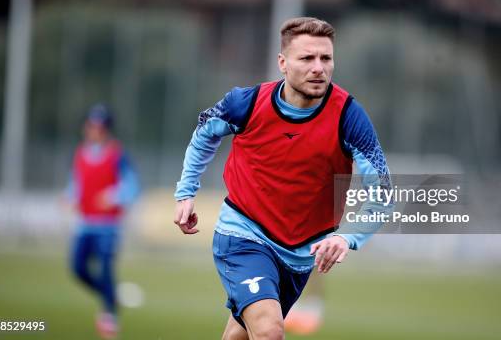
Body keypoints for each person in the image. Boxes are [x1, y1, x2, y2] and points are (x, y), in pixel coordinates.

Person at [173, 17, 391, 340]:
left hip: (300, 257)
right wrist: (186, 191)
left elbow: (383, 192)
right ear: (283, 63)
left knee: (241, 336)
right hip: (243, 234)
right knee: (270, 331)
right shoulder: (245, 103)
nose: (318, 68)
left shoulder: (348, 116)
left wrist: (348, 237)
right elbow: (204, 133)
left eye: (326, 58)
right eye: (307, 58)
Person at [65, 104, 140, 339]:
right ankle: (111, 296)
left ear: (106, 129)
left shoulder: (117, 155)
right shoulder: (80, 154)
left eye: (100, 126)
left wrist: (114, 196)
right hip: (84, 224)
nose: (94, 130)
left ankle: (109, 314)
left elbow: (132, 187)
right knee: (78, 268)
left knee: (106, 268)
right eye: (91, 126)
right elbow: (76, 184)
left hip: (108, 226)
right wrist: (69, 197)